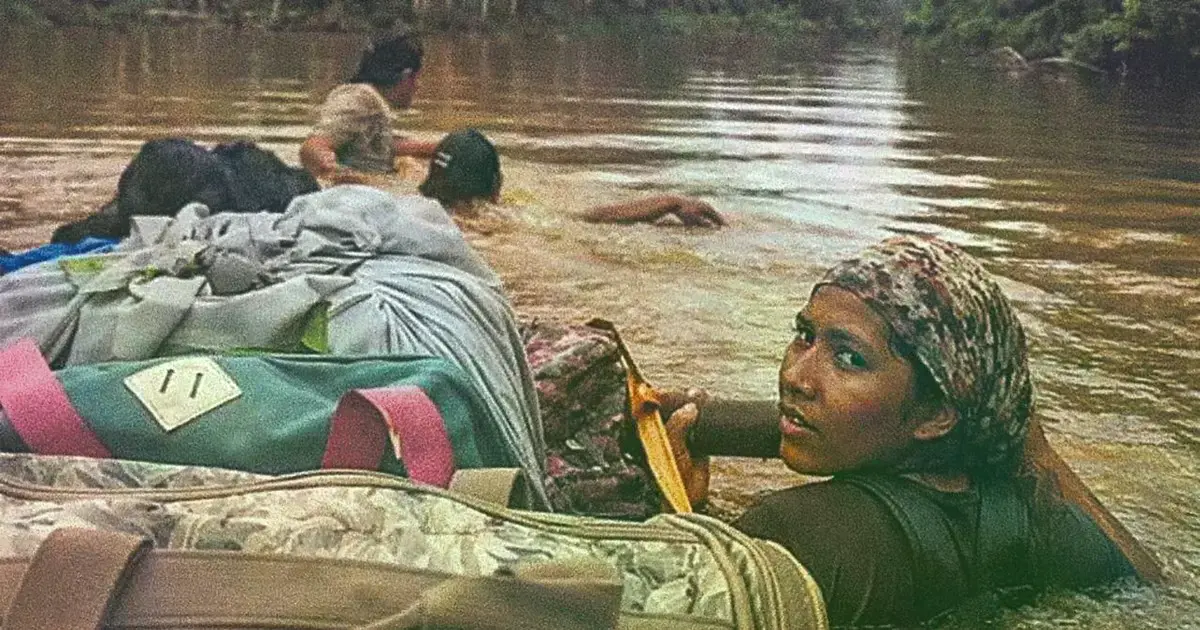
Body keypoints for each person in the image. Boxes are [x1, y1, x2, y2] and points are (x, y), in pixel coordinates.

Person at [658, 235, 1156, 627]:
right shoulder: (1046, 523)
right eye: (805, 336)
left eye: (849, 358)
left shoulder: (796, 530)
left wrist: (680, 513)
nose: (796, 376)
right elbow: (1153, 596)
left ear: (937, 415)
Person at [417, 129, 726, 227]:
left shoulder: (412, 211)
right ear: (496, 186)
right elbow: (589, 219)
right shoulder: (491, 221)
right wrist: (669, 202)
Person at [300, 33, 439, 185]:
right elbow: (312, 147)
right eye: (417, 78)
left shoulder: (371, 102)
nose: (418, 86)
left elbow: (377, 144)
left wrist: (439, 148)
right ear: (406, 76)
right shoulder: (360, 98)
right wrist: (335, 171)